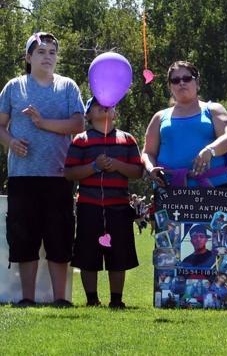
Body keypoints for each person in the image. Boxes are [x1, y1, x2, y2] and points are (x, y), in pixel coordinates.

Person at [0, 32, 84, 307]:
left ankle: (60, 299)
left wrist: (43, 123)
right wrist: (12, 142)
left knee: (59, 236)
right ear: (28, 57)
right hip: (22, 175)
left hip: (59, 175)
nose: (48, 56)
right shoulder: (14, 87)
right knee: (24, 237)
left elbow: (78, 124)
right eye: (41, 51)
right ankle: (27, 298)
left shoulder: (68, 87)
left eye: (52, 52)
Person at [63, 97, 144, 309]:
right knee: (87, 254)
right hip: (89, 206)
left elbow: (137, 171)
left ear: (115, 113)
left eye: (108, 103)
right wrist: (94, 166)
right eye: (96, 103)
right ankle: (92, 299)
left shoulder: (128, 140)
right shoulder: (80, 140)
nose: (104, 105)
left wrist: (117, 165)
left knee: (119, 255)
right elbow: (69, 173)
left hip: (118, 206)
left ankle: (116, 299)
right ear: (87, 115)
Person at [143, 61, 227, 189]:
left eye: (186, 78)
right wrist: (150, 168)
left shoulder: (213, 109)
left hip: (215, 187)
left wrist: (210, 150)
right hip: (168, 189)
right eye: (175, 80)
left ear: (197, 83)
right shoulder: (159, 117)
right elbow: (148, 152)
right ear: (170, 87)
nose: (181, 83)